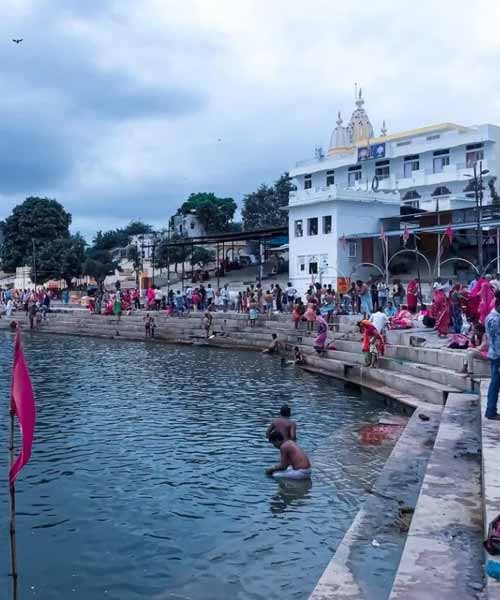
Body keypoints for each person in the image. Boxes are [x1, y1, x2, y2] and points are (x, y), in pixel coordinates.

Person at [485, 299, 500, 420]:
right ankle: (490, 411)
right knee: (495, 384)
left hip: (495, 354)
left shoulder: (491, 316)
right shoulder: (495, 319)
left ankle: (491, 410)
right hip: (497, 356)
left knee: (495, 383)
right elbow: (496, 341)